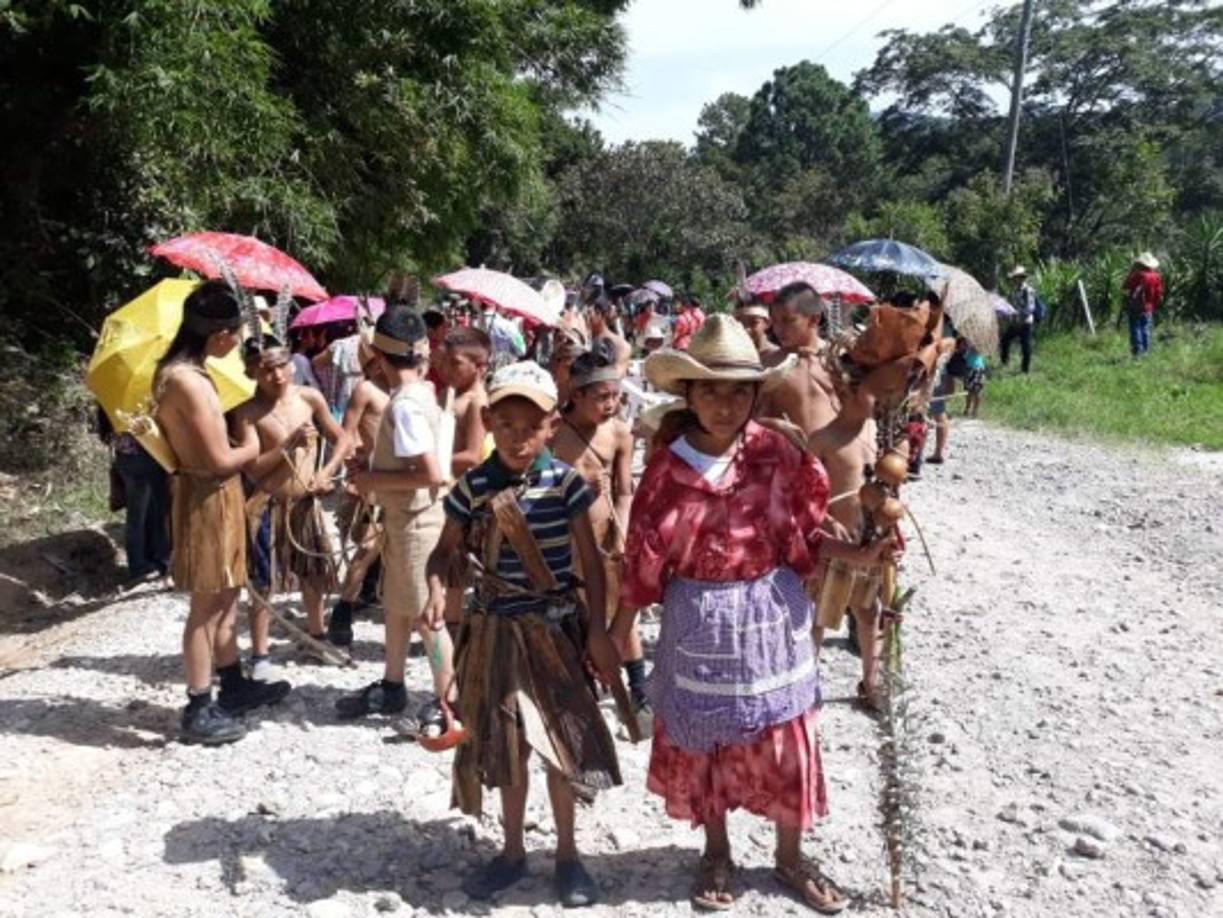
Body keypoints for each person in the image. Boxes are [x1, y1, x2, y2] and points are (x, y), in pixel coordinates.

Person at [612, 315, 893, 913]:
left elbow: (806, 534)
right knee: (704, 738)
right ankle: (716, 851)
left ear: (757, 394)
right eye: (710, 388)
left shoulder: (776, 453)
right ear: (686, 393)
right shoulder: (666, 469)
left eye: (740, 389)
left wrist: (861, 552)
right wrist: (620, 624)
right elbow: (644, 553)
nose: (725, 402)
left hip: (771, 614)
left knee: (787, 734)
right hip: (699, 622)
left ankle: (790, 857)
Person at [423, 361, 621, 908]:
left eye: (530, 426)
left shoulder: (565, 482)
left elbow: (592, 558)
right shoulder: (474, 486)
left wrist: (600, 632)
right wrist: (438, 585)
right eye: (505, 424)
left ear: (551, 426)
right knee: (508, 746)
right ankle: (511, 852)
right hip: (496, 632)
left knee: (561, 747)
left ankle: (567, 855)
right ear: (487, 421)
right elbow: (443, 551)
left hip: (556, 630)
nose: (517, 436)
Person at [153, 279, 290, 745]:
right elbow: (216, 460)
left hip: (218, 496)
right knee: (206, 606)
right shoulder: (188, 383)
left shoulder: (184, 373)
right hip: (206, 497)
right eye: (234, 333)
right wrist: (251, 441)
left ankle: (232, 683)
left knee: (228, 594)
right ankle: (198, 705)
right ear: (218, 336)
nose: (238, 342)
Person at [335, 307, 454, 730]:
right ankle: (392, 684)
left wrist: (369, 476)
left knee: (427, 615)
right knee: (399, 608)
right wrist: (376, 463)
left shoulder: (404, 405)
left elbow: (429, 473)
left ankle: (447, 701)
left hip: (419, 521)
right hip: (408, 521)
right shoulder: (422, 392)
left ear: (379, 358)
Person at [233, 334, 351, 671]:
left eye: (282, 366)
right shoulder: (247, 412)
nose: (278, 375)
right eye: (266, 369)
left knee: (314, 572)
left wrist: (327, 471)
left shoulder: (309, 398)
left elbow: (341, 437)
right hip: (267, 505)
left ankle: (317, 637)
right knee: (263, 580)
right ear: (252, 372)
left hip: (305, 503)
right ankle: (260, 654)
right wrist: (288, 444)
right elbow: (252, 467)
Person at [550, 343, 646, 710]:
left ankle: (638, 687)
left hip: (606, 535)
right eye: (602, 396)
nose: (611, 404)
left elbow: (625, 491)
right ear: (576, 395)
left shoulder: (620, 433)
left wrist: (622, 530)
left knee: (621, 606)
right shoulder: (554, 433)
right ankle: (581, 682)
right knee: (574, 609)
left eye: (616, 396)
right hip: (564, 538)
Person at [329, 337, 390, 646]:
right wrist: (351, 468)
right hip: (373, 480)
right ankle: (344, 607)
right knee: (366, 546)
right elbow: (347, 432)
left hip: (400, 479)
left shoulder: (406, 389)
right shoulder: (366, 389)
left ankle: (375, 593)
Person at [105, 413, 171, 583]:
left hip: (124, 458)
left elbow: (104, 433)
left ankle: (142, 562)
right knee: (151, 512)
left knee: (141, 513)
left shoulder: (110, 401)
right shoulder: (137, 403)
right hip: (145, 456)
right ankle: (147, 563)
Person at [441, 326, 491, 478]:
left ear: (479, 367)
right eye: (445, 361)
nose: (446, 368)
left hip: (455, 487)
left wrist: (432, 461)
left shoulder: (476, 402)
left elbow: (473, 456)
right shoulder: (448, 393)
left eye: (455, 363)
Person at [1123, 252, 1163, 357]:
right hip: (1149, 307)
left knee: (1135, 328)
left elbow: (1125, 286)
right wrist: (1153, 304)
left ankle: (1137, 352)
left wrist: (1131, 272)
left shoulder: (1138, 275)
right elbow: (1159, 293)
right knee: (1146, 328)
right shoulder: (1156, 276)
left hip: (1136, 307)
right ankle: (1146, 351)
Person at [1001, 266, 1036, 374]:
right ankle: (1004, 362)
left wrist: (1020, 319)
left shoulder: (1028, 290)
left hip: (1025, 322)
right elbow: (1012, 305)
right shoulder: (1015, 291)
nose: (1014, 280)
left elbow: (1030, 308)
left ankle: (1025, 370)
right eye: (1014, 278)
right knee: (1005, 340)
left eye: (1016, 277)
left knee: (1025, 346)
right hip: (1015, 322)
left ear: (1021, 278)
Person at [587, 295, 632, 375]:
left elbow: (616, 376)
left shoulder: (622, 346)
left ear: (600, 314)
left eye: (590, 313)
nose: (587, 317)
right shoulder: (584, 341)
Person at [423, 308, 449, 390]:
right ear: (430, 330)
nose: (446, 330)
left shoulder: (418, 346)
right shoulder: (438, 349)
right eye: (443, 327)